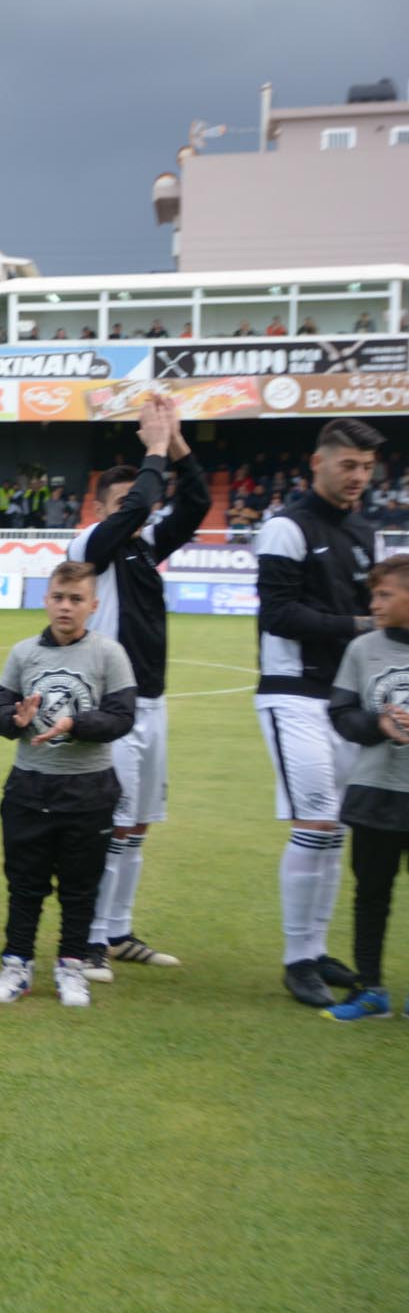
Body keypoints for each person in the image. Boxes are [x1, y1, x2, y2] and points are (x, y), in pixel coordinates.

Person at [65, 396, 209, 979]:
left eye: (137, 504)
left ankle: (119, 931)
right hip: (107, 704)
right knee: (112, 822)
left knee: (139, 823)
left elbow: (194, 503)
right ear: (101, 509)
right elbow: (140, 506)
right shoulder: (88, 550)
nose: (135, 512)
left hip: (153, 701)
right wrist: (151, 451)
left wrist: (176, 446)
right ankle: (93, 938)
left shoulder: (147, 547)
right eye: (121, 505)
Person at [255, 418, 385, 1008]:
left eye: (366, 467)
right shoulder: (285, 527)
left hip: (343, 698)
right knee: (316, 824)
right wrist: (360, 625)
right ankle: (295, 959)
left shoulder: (364, 531)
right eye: (348, 465)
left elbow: (377, 616)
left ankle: (315, 948)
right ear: (318, 462)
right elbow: (279, 614)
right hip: (291, 691)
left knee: (335, 830)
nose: (358, 477)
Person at [0, 561, 138, 1008]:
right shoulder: (24, 653)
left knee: (79, 886)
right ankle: (17, 965)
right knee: (24, 883)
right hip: (30, 787)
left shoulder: (109, 654)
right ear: (46, 600)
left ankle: (72, 967)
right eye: (58, 597)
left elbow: (123, 716)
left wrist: (76, 723)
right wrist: (15, 718)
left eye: (75, 600)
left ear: (93, 605)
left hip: (89, 789)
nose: (65, 607)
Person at [321, 555, 409, 1020]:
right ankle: (370, 989)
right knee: (371, 894)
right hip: (375, 790)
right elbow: (341, 715)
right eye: (372, 594)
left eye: (384, 594)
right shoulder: (362, 650)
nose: (372, 603)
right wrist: (379, 724)